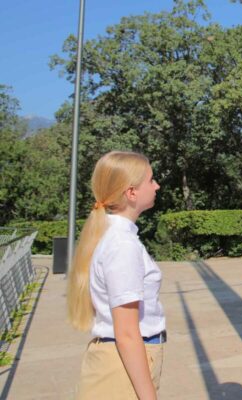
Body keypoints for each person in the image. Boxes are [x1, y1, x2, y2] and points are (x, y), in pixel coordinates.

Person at [66, 151, 165, 400]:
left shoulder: (111, 235)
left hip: (115, 364)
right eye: (151, 180)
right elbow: (128, 333)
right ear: (131, 193)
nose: (157, 185)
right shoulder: (122, 244)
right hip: (121, 369)